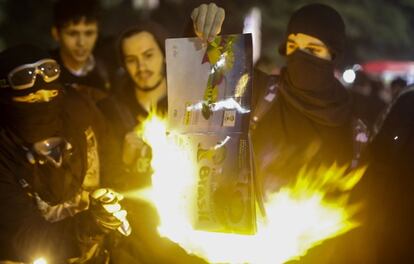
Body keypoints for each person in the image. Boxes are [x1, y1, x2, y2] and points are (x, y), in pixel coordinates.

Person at [0, 44, 129, 263]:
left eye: (51, 96)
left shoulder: (81, 114)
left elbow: (115, 170)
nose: (44, 105)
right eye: (32, 101)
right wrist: (89, 224)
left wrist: (111, 205)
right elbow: (24, 234)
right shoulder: (5, 152)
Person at [51, 0, 111, 102]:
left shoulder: (110, 70)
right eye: (73, 33)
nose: (81, 43)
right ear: (56, 34)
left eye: (89, 33)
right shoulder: (45, 74)